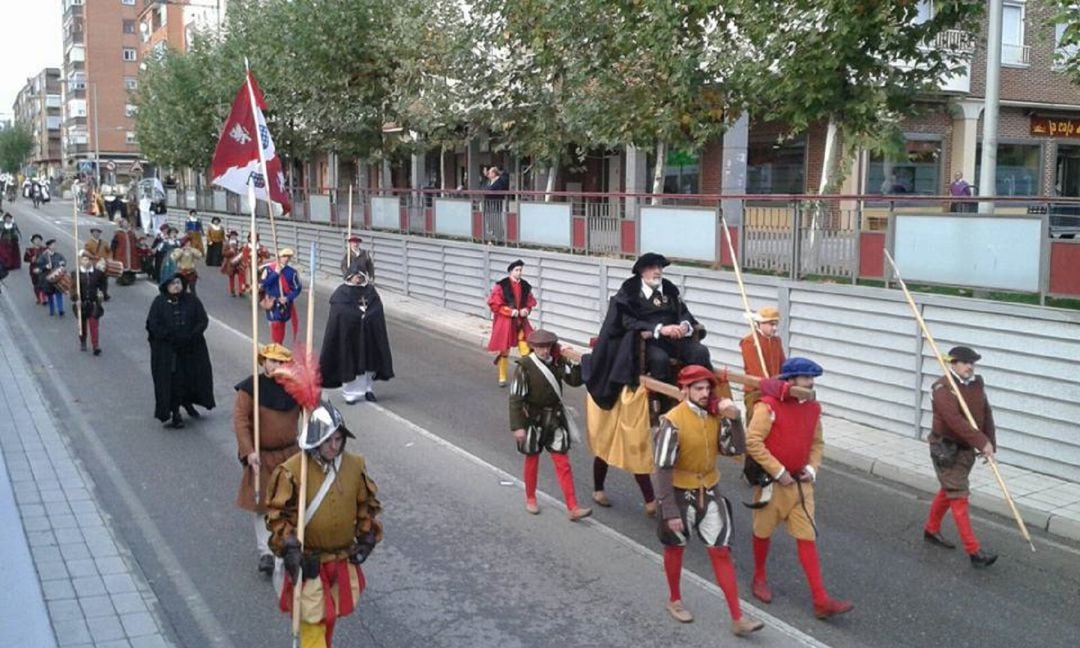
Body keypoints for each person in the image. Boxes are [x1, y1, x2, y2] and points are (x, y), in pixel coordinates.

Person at [652, 365, 762, 636]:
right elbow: (662, 468)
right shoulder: (672, 420)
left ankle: (737, 617)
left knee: (721, 551)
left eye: (707, 388)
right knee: (675, 548)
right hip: (679, 493)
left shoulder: (715, 416)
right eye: (698, 388)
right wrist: (669, 509)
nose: (704, 393)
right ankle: (674, 600)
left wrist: (736, 419)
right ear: (685, 390)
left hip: (710, 490)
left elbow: (734, 449)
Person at [266, 400, 382, 648]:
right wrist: (290, 545)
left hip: (340, 558)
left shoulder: (353, 466)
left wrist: (366, 538)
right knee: (312, 623)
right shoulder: (292, 470)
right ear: (315, 439)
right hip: (310, 562)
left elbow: (365, 506)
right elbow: (278, 515)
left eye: (339, 440)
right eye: (328, 439)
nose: (334, 446)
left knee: (329, 620)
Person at [745, 358, 853, 620]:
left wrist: (812, 469)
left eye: (812, 378)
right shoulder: (768, 406)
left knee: (807, 538)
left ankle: (820, 600)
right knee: (762, 532)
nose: (811, 383)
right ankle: (759, 577)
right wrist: (779, 472)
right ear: (790, 380)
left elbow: (817, 443)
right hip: (773, 484)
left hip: (801, 486)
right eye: (806, 378)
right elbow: (753, 441)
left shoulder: (814, 408)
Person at [586, 252, 710, 408]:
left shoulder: (670, 288)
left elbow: (683, 311)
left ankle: (700, 397)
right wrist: (659, 329)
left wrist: (684, 325)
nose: (657, 271)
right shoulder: (630, 290)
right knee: (660, 360)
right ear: (642, 271)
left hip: (676, 338)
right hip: (648, 342)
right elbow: (626, 321)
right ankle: (664, 403)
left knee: (700, 352)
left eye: (659, 267)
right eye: (652, 267)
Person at [922, 346, 998, 568]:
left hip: (966, 450)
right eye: (965, 362)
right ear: (952, 364)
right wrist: (980, 441)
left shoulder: (976, 385)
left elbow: (986, 414)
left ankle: (931, 529)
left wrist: (990, 443)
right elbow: (954, 422)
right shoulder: (942, 388)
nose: (969, 367)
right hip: (945, 449)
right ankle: (974, 551)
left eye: (972, 363)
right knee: (958, 496)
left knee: (949, 490)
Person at [509, 329, 592, 520]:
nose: (544, 351)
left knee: (563, 463)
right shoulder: (525, 366)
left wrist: (572, 360)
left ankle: (573, 507)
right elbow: (515, 398)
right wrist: (518, 426)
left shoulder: (557, 362)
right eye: (540, 347)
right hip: (532, 419)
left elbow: (575, 380)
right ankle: (530, 498)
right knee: (532, 460)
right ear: (533, 347)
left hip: (554, 418)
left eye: (547, 346)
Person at [233, 343, 301, 575]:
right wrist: (248, 451)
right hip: (261, 456)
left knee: (289, 503)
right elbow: (241, 421)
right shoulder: (250, 388)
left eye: (281, 362)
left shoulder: (295, 388)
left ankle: (285, 545)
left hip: (290, 455)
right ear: (263, 361)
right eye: (272, 361)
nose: (276, 366)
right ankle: (266, 552)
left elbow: (311, 409)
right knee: (262, 506)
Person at [146, 273, 215, 428]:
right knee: (173, 382)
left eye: (178, 282)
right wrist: (169, 337)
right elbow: (153, 324)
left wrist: (192, 335)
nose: (176, 286)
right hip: (169, 352)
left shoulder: (192, 300)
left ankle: (188, 403)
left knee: (191, 378)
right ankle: (174, 412)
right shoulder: (159, 303)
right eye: (172, 283)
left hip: (191, 349)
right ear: (166, 286)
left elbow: (202, 320)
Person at [319, 265, 394, 404]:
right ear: (350, 276)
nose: (358, 279)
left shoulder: (370, 291)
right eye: (356, 276)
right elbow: (340, 312)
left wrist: (368, 315)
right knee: (351, 363)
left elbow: (377, 308)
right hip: (350, 337)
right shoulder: (341, 293)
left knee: (369, 364)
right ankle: (350, 394)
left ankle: (368, 390)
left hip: (369, 335)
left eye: (360, 276)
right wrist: (357, 315)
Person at [486, 259, 536, 387]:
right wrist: (509, 311)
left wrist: (526, 310)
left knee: (525, 350)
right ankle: (502, 377)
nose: (519, 272)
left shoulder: (525, 285)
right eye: (516, 270)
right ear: (511, 271)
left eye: (520, 270)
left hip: (521, 322)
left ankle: (527, 377)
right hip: (506, 323)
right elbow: (494, 304)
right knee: (504, 350)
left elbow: (530, 302)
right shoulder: (501, 285)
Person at [740, 306, 785, 427]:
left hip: (775, 389)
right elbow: (756, 371)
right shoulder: (749, 342)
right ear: (760, 324)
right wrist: (769, 385)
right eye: (771, 324)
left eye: (776, 324)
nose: (775, 328)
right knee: (756, 423)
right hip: (756, 390)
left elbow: (783, 365)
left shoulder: (777, 341)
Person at [261, 248, 302, 345]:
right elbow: (263, 284)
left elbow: (297, 288)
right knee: (275, 324)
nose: (286, 259)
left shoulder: (292, 272)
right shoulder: (269, 269)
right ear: (279, 257)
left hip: (284, 303)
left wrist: (288, 298)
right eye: (284, 256)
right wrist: (275, 273)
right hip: (272, 302)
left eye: (288, 257)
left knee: (282, 325)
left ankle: (278, 345)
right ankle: (276, 345)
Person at [70, 251, 106, 356]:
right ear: (80, 261)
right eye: (84, 259)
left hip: (93, 303)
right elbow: (72, 288)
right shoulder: (75, 273)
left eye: (88, 259)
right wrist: (76, 298)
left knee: (94, 324)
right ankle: (83, 341)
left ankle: (96, 346)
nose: (86, 262)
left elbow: (103, 284)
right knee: (82, 324)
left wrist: (101, 292)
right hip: (81, 303)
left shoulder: (98, 273)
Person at [36, 239, 67, 317]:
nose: (55, 246)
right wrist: (45, 266)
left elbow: (64, 261)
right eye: (53, 245)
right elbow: (39, 265)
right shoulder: (44, 256)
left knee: (59, 294)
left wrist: (62, 263)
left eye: (55, 244)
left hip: (57, 278)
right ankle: (52, 310)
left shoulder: (58, 255)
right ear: (49, 246)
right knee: (50, 295)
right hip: (48, 279)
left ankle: (61, 310)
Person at [83, 227, 112, 301]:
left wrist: (109, 259)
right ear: (92, 233)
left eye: (98, 232)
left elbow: (109, 251)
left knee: (104, 280)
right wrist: (92, 257)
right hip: (94, 264)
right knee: (94, 281)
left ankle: (104, 294)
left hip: (103, 264)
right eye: (95, 232)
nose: (97, 234)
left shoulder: (104, 242)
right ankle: (94, 295)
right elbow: (85, 253)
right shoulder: (88, 243)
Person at [110, 218, 141, 286]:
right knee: (122, 266)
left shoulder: (131, 232)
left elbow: (135, 241)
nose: (126, 224)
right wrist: (113, 252)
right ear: (121, 224)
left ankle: (130, 278)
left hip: (131, 252)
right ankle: (122, 280)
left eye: (126, 222)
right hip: (121, 253)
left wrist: (139, 245)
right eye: (124, 223)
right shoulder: (118, 233)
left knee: (131, 266)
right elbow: (114, 244)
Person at [23, 234, 47, 304]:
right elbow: (25, 259)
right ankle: (38, 298)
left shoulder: (45, 249)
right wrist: (31, 259)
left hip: (43, 268)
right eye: (36, 240)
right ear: (33, 241)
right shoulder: (29, 250)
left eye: (39, 240)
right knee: (36, 284)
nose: (38, 241)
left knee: (44, 283)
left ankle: (43, 298)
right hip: (33, 269)